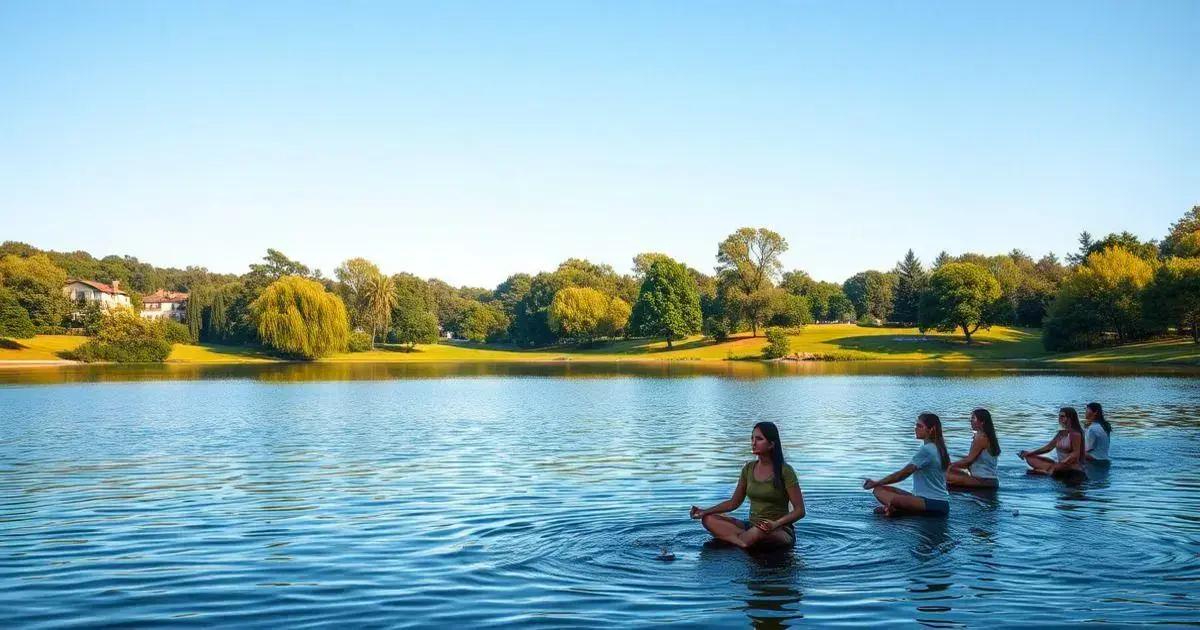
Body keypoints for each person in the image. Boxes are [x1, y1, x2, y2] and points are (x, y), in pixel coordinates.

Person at [690, 422, 805, 549]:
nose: (753, 443)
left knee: (759, 531)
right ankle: (744, 540)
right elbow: (733, 503)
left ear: (771, 444)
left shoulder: (785, 471)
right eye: (752, 438)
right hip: (751, 526)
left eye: (759, 439)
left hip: (779, 530)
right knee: (708, 519)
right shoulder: (748, 469)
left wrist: (775, 524)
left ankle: (741, 540)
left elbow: (800, 511)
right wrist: (704, 512)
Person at [862, 412, 951, 516]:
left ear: (931, 430)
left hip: (932, 503)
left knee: (878, 491)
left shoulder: (927, 450)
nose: (915, 428)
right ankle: (898, 509)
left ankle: (897, 509)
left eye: (919, 426)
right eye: (916, 425)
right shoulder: (939, 448)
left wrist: (875, 483)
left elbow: (903, 474)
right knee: (881, 490)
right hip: (935, 503)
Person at [1018, 407, 1086, 481]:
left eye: (1062, 416)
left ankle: (1047, 471)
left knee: (1033, 473)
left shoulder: (1075, 434)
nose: (1059, 418)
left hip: (1072, 469)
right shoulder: (1061, 433)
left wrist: (1061, 463)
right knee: (1030, 458)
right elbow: (1048, 447)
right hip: (1060, 466)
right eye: (1059, 416)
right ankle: (1047, 471)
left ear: (1070, 418)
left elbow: (1075, 454)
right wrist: (1030, 453)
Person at [946, 408, 1000, 488]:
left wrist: (950, 466)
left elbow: (969, 461)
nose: (970, 421)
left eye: (973, 418)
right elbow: (970, 461)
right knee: (944, 471)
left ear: (982, 422)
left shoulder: (981, 438)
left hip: (983, 481)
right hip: (989, 480)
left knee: (940, 474)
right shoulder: (986, 436)